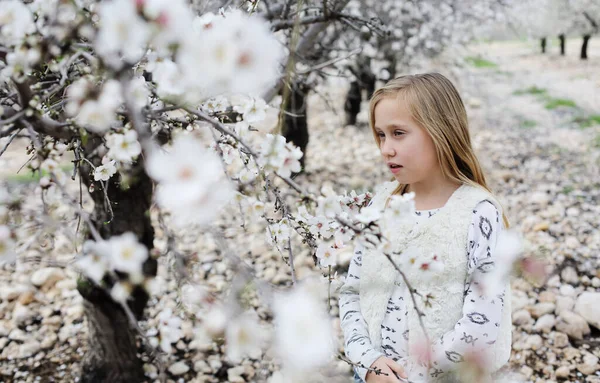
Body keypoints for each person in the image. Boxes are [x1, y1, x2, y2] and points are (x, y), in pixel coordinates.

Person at [339, 73, 512, 383]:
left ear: (440, 132)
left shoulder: (476, 213)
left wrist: (412, 376)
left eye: (398, 133)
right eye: (381, 135)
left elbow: (482, 323)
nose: (386, 149)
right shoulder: (381, 205)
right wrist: (367, 361)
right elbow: (353, 290)